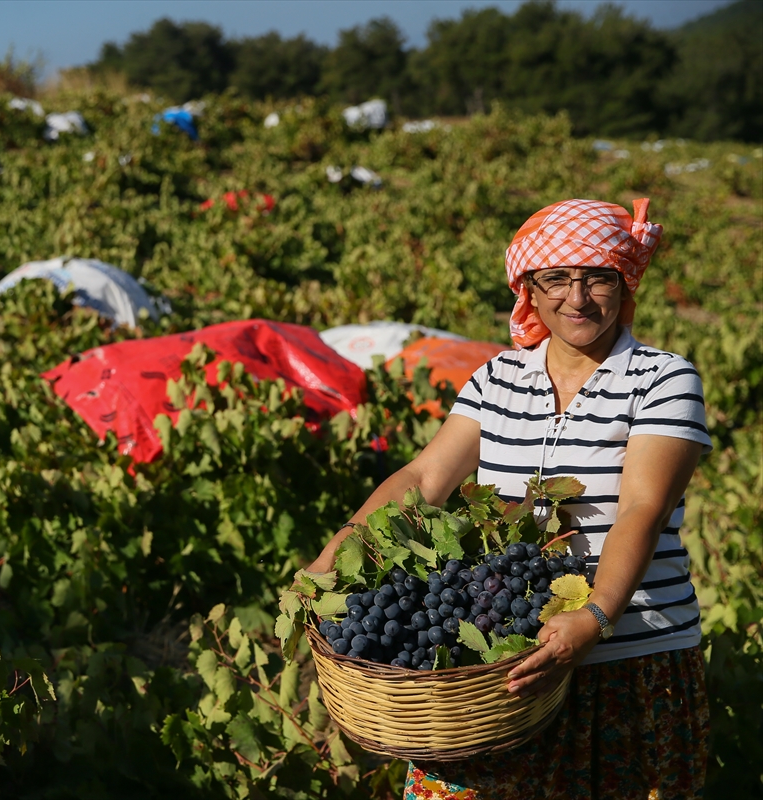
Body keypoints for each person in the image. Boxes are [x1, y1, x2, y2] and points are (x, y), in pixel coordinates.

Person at [305, 198, 711, 799]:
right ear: (531, 290)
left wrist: (596, 616)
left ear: (623, 284)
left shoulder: (662, 379)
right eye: (557, 280)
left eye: (598, 278)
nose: (578, 299)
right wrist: (335, 553)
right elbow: (424, 477)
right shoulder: (499, 378)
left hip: (630, 660)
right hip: (503, 671)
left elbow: (641, 508)